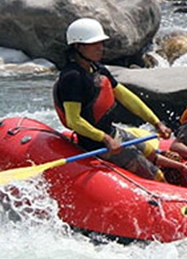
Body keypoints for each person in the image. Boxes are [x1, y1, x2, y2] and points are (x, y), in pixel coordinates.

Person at [52, 17, 177, 176]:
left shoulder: (97, 68)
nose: (100, 48)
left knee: (153, 155)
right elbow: (73, 120)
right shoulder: (72, 77)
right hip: (96, 144)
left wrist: (156, 122)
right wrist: (105, 139)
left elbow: (126, 96)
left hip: (112, 132)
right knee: (156, 175)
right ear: (77, 46)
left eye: (101, 43)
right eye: (94, 44)